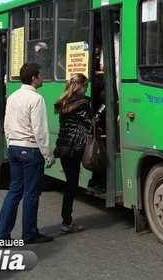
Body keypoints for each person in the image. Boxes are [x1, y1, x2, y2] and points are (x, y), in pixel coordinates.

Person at [0, 62, 56, 244]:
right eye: (41, 74)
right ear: (34, 78)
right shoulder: (36, 99)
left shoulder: (13, 96)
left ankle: (3, 234)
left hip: (14, 147)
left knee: (14, 191)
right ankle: (29, 233)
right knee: (31, 194)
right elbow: (40, 130)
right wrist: (48, 154)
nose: (43, 77)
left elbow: (7, 124)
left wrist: (11, 144)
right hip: (30, 149)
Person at [53, 74, 99, 233]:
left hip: (64, 147)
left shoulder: (64, 102)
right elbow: (91, 123)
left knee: (70, 185)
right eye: (85, 86)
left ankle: (67, 220)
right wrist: (103, 107)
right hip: (75, 148)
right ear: (79, 86)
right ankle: (67, 221)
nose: (86, 88)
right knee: (72, 186)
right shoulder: (81, 104)